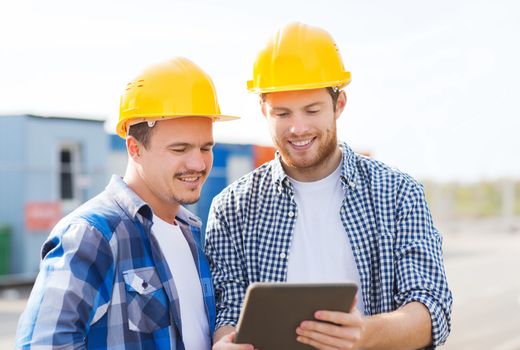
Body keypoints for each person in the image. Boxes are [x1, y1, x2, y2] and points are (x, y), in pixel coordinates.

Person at [206, 23, 452, 349]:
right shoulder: (232, 208)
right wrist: (226, 343)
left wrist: (364, 334)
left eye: (312, 110)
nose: (297, 127)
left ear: (339, 105)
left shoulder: (398, 193)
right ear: (263, 110)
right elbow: (229, 313)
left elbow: (431, 309)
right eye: (282, 113)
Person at [16, 57, 239, 349]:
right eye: (179, 148)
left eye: (205, 147)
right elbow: (42, 345)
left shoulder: (193, 232)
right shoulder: (93, 235)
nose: (197, 163)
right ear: (135, 148)